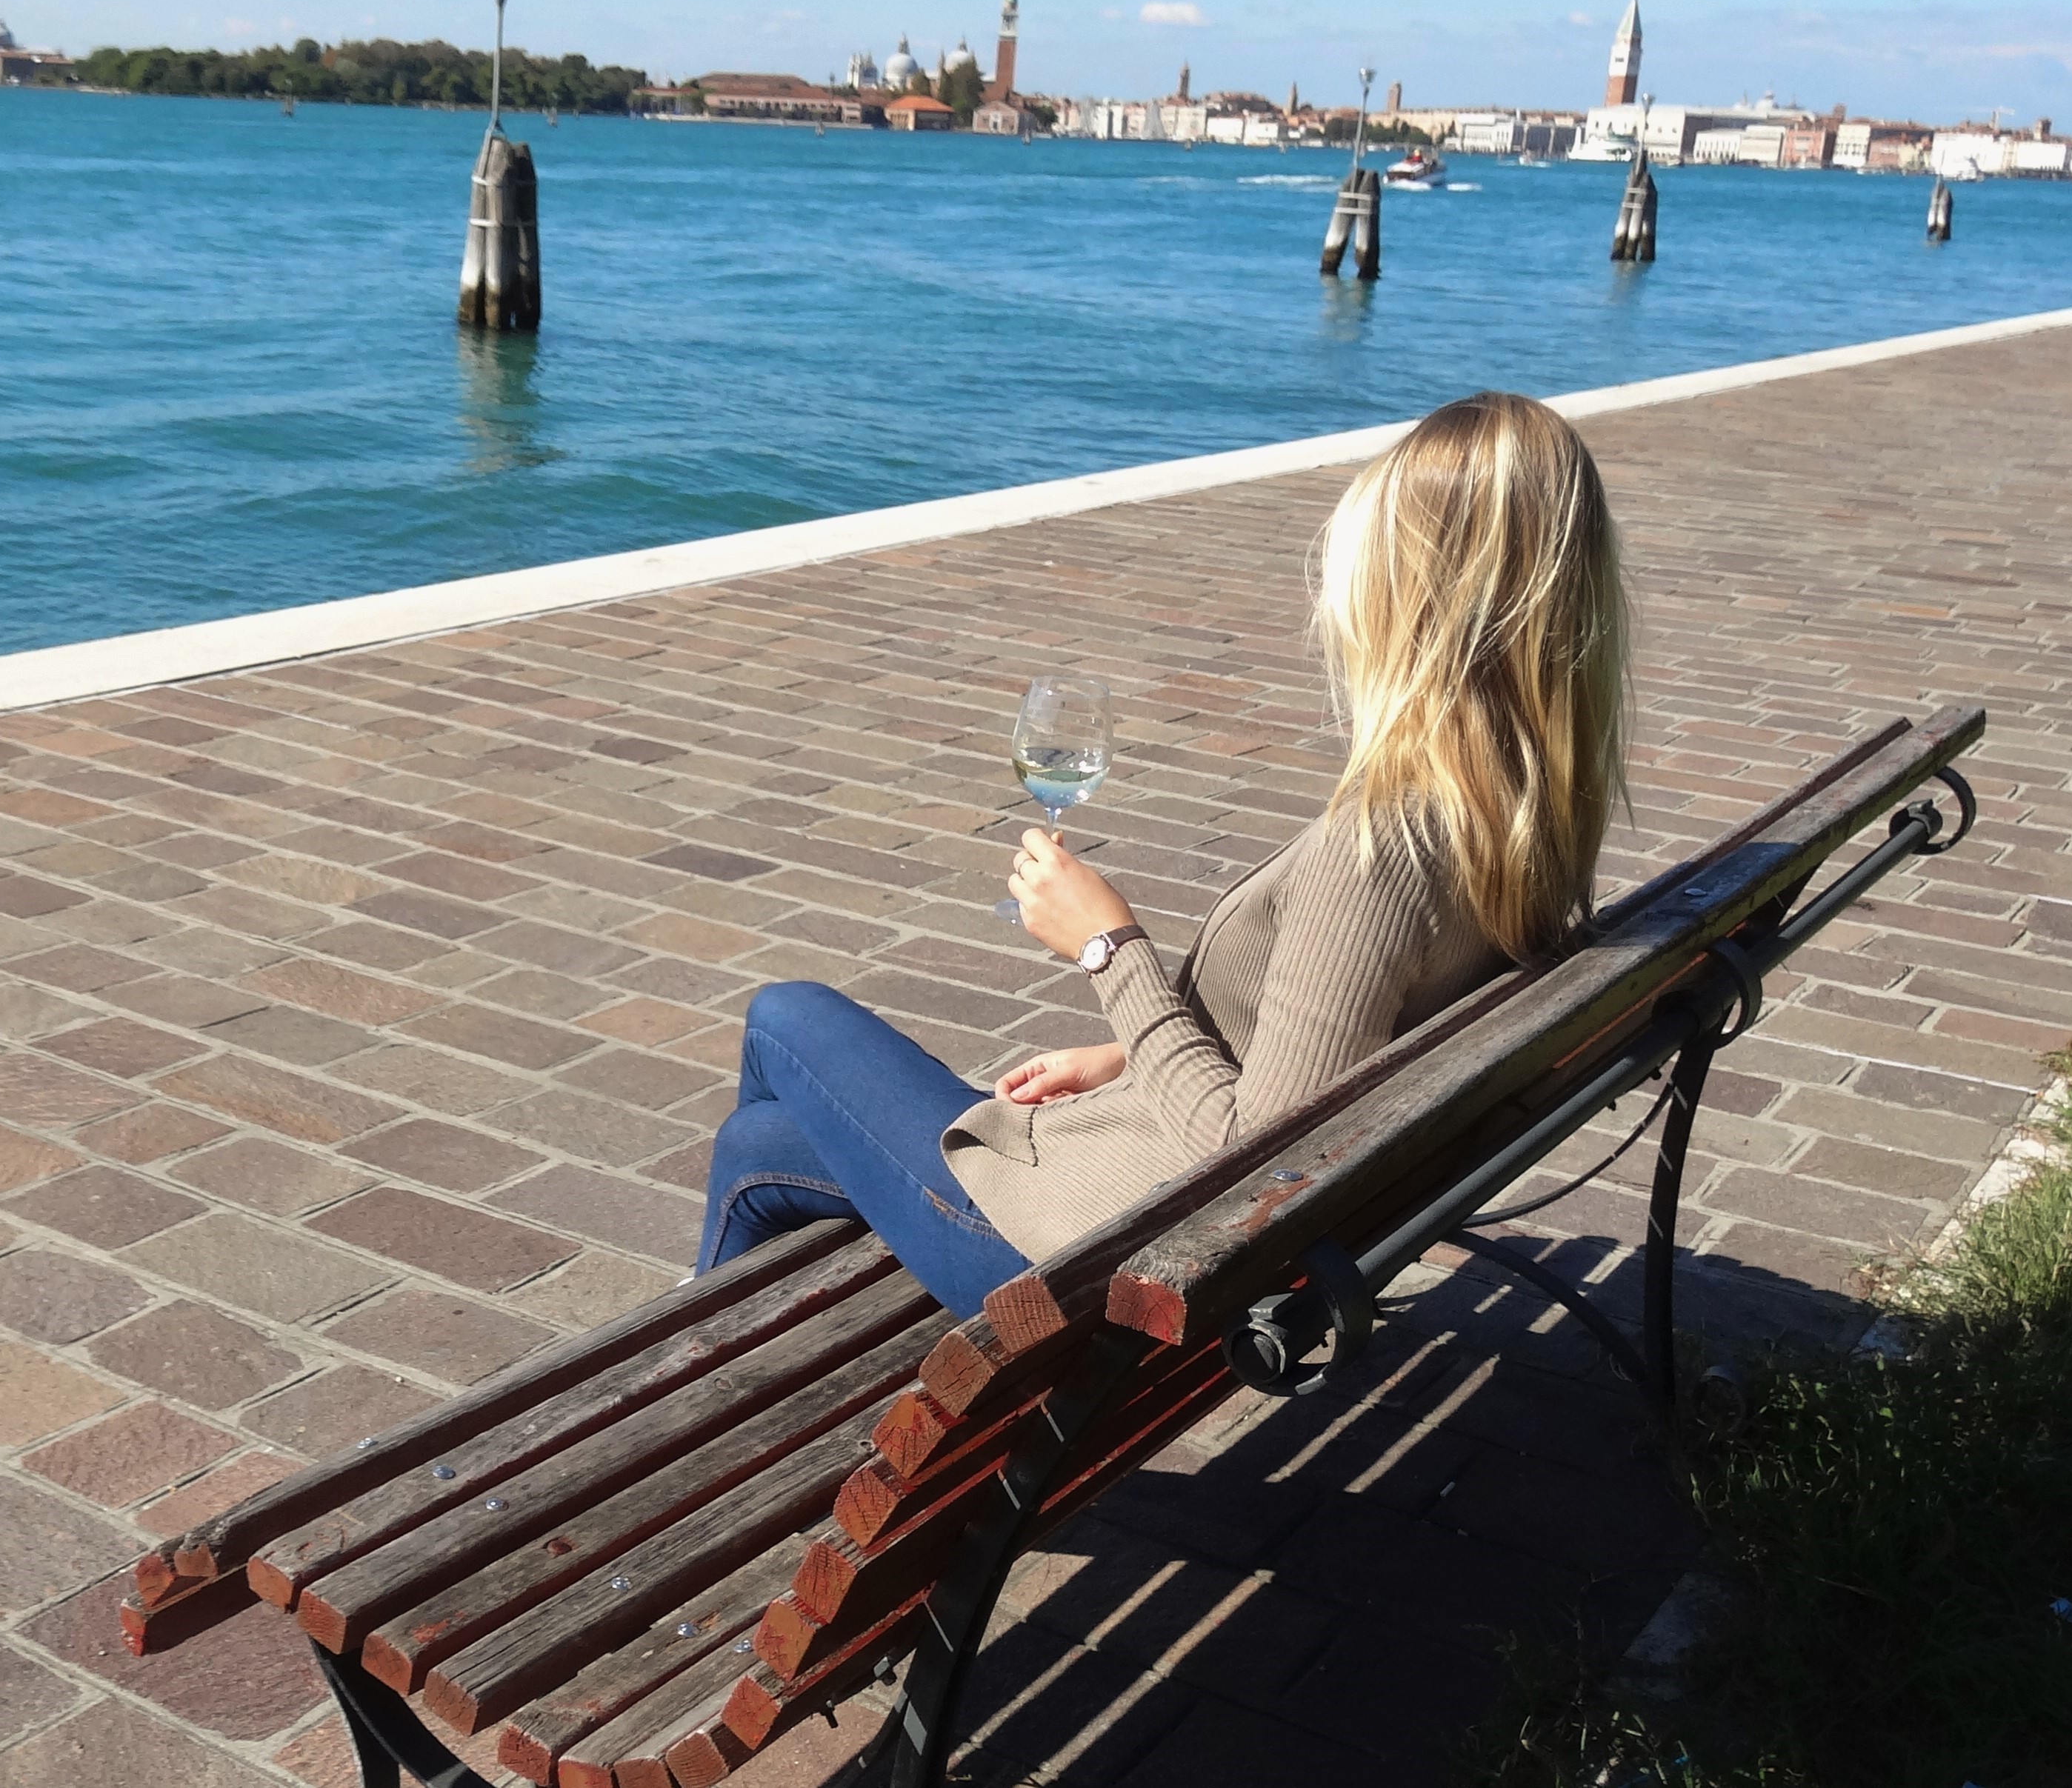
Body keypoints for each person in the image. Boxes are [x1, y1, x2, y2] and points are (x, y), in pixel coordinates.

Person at [697, 391, 1633, 1315]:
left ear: (1408, 599)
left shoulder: (1384, 847)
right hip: (1187, 1216)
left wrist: (1111, 950)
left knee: (786, 1017)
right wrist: (1130, 1059)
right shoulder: (1528, 813)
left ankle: (677, 1395)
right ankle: (700, 1383)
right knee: (758, 1145)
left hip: (1109, 1259)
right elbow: (1341, 1045)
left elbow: (1259, 1165)